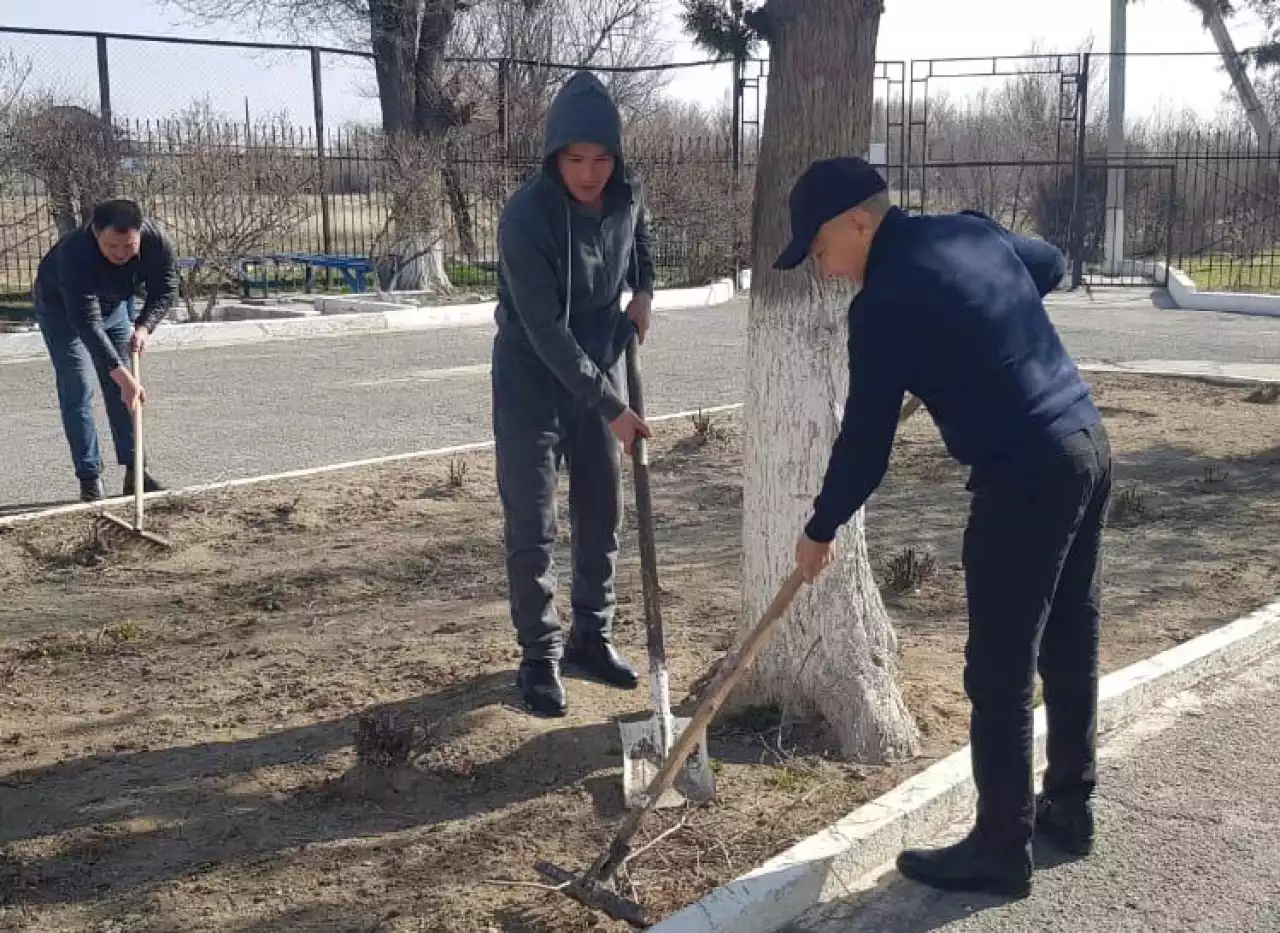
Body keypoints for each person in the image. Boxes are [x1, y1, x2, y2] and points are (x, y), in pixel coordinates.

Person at [777, 157, 1112, 898]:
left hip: (1024, 473)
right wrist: (985, 325)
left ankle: (999, 846)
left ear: (859, 223)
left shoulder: (884, 302)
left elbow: (864, 446)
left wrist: (820, 526)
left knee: (999, 665)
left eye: (821, 249)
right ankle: (1070, 807)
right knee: (1069, 637)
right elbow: (1049, 265)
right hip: (1086, 441)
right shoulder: (968, 232)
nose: (824, 269)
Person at [491, 70, 657, 717]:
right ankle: (539, 655)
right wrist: (613, 407)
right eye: (575, 158)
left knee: (603, 507)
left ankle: (593, 634)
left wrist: (644, 289)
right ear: (555, 155)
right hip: (533, 376)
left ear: (615, 159)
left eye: (600, 158)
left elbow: (640, 237)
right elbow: (547, 333)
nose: (589, 172)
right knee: (533, 521)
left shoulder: (626, 194)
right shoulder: (523, 219)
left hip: (603, 359)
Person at [34, 198, 177, 502]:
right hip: (63, 312)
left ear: (140, 233)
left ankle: (135, 472)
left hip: (114, 307)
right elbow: (86, 322)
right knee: (78, 387)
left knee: (123, 393)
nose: (120, 254)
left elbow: (165, 289)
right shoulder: (75, 252)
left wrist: (144, 326)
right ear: (95, 232)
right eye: (112, 246)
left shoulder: (157, 242)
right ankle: (90, 478)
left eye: (129, 246)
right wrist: (122, 374)